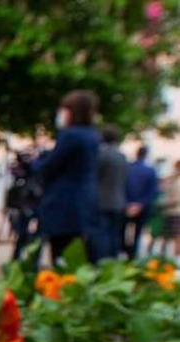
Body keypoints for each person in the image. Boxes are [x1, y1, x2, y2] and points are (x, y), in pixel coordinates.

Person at [32, 90, 100, 266]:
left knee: (62, 254)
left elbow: (51, 166)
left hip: (64, 204)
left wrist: (36, 162)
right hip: (83, 203)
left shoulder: (71, 135)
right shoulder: (92, 135)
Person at [95, 125, 127, 262]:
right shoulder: (122, 156)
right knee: (114, 235)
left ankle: (103, 263)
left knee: (102, 235)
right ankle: (113, 263)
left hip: (102, 201)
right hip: (118, 201)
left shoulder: (101, 154)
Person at [124, 146, 159, 259]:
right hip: (142, 208)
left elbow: (122, 187)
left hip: (127, 206)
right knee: (137, 234)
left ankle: (127, 250)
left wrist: (129, 203)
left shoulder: (128, 168)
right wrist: (140, 204)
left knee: (122, 232)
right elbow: (152, 191)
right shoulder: (151, 170)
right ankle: (132, 255)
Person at [161, 159, 180, 258]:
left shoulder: (177, 182)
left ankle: (176, 260)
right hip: (170, 212)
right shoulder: (173, 180)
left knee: (177, 237)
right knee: (166, 237)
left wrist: (162, 204)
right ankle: (164, 258)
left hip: (175, 212)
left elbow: (175, 200)